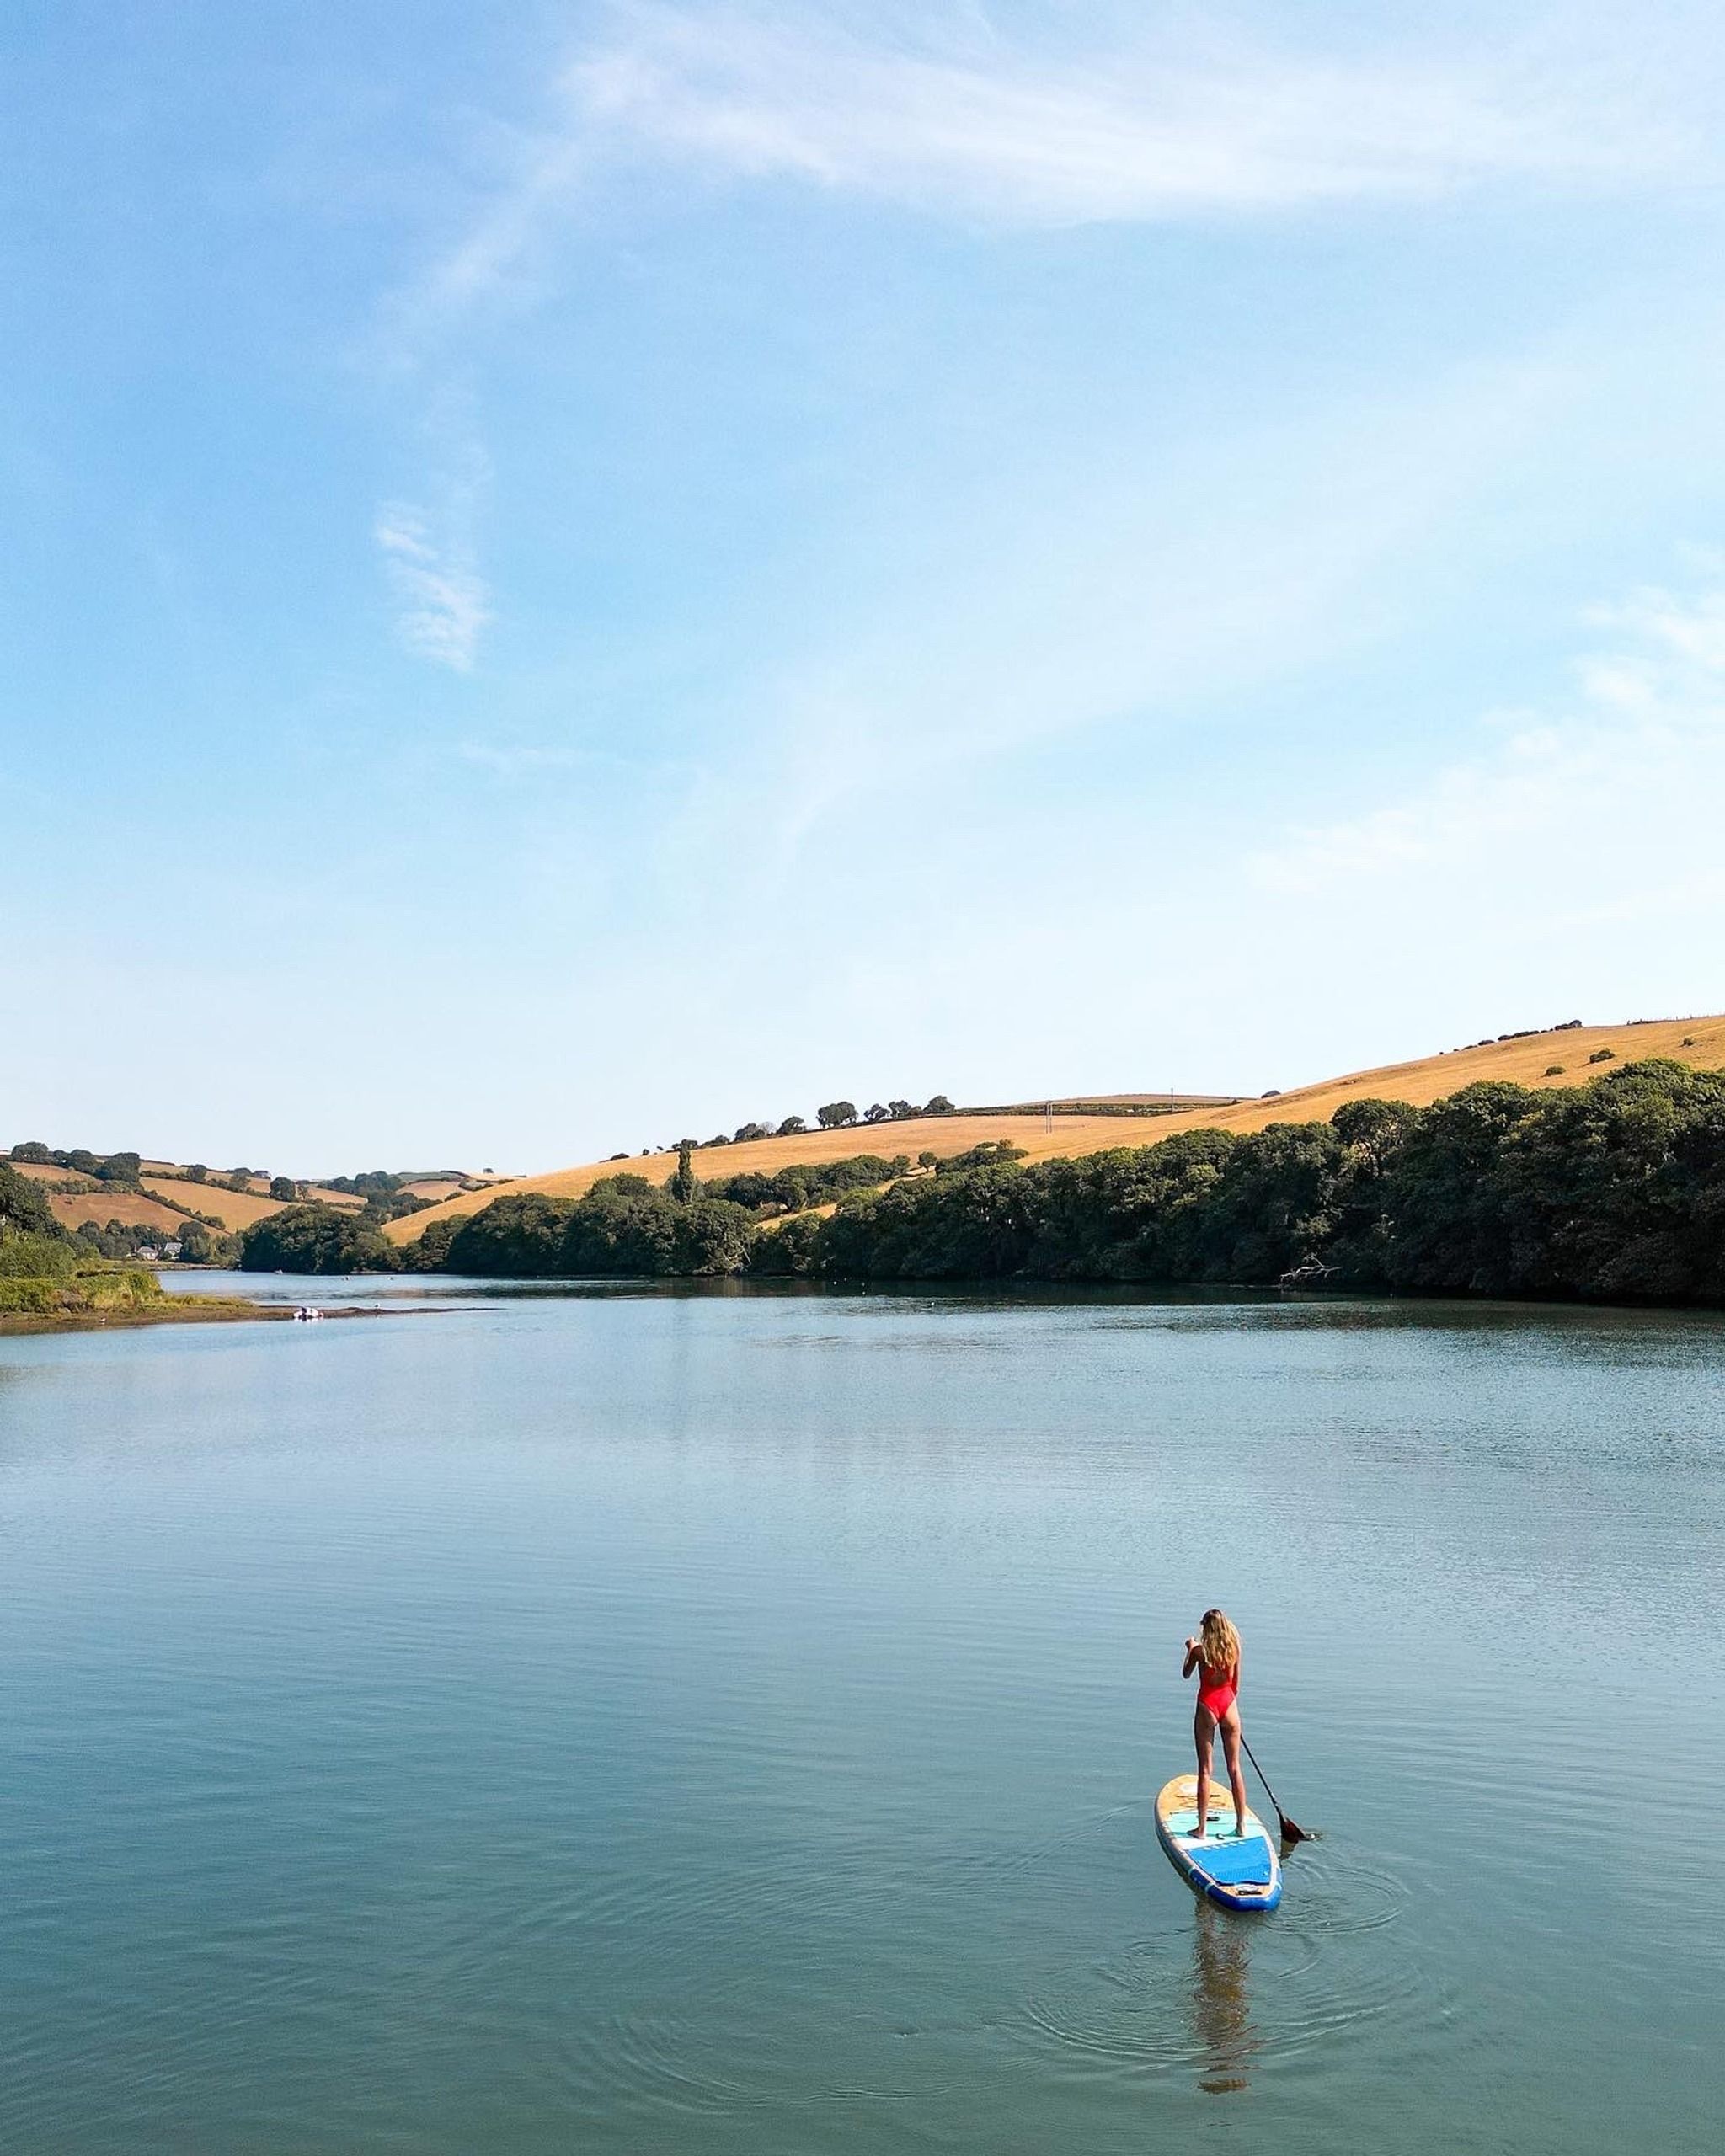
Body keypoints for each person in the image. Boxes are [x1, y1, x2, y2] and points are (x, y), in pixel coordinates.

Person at [1183, 1608, 1247, 1841]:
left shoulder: (1201, 1650)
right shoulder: (1234, 1649)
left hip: (1207, 1706)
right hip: (1229, 1705)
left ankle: (1201, 1829)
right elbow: (1236, 1685)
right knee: (1235, 1769)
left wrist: (1189, 1649)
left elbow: (1186, 1674)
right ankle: (1241, 1825)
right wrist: (1229, 1713)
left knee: (1205, 1770)